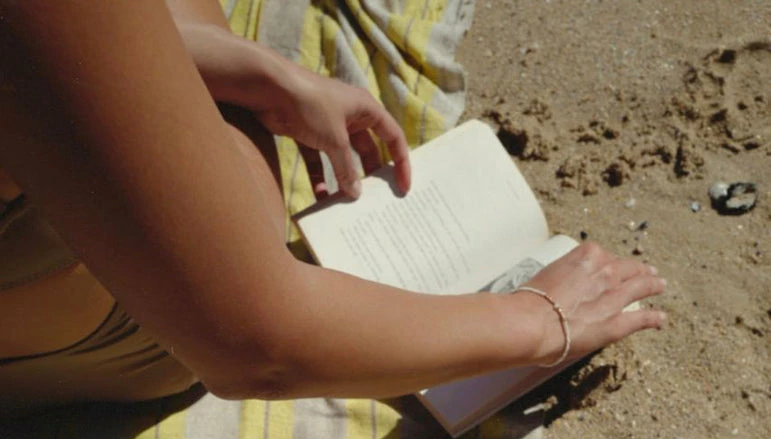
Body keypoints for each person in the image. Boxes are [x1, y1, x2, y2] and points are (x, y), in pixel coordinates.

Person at [0, 0, 666, 414]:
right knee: (236, 165)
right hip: (134, 328)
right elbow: (255, 345)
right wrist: (535, 320)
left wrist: (243, 65)